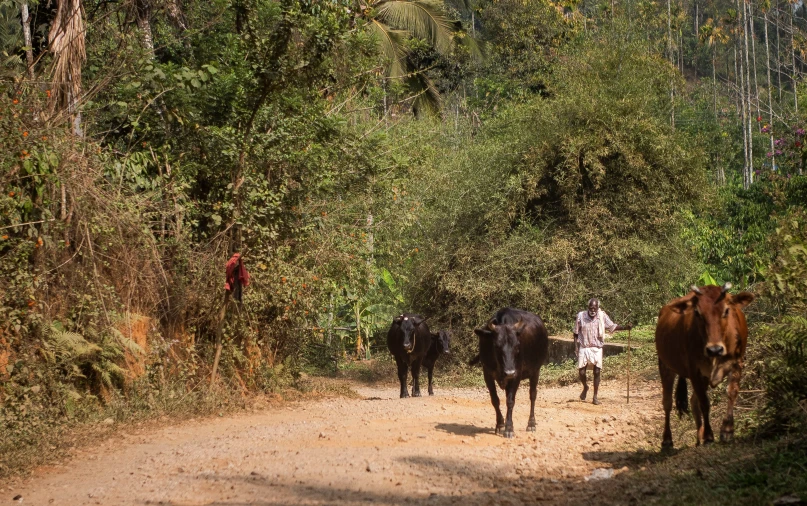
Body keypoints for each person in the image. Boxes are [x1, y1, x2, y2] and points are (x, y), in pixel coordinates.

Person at [573, 298, 631, 405]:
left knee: (597, 372)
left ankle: (595, 397)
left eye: (595, 308)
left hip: (597, 348)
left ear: (598, 307)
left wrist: (625, 327)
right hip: (584, 347)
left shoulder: (602, 316)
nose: (593, 310)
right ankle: (585, 387)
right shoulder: (581, 316)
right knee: (581, 372)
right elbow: (576, 333)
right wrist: (575, 347)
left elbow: (612, 326)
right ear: (588, 307)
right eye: (591, 308)